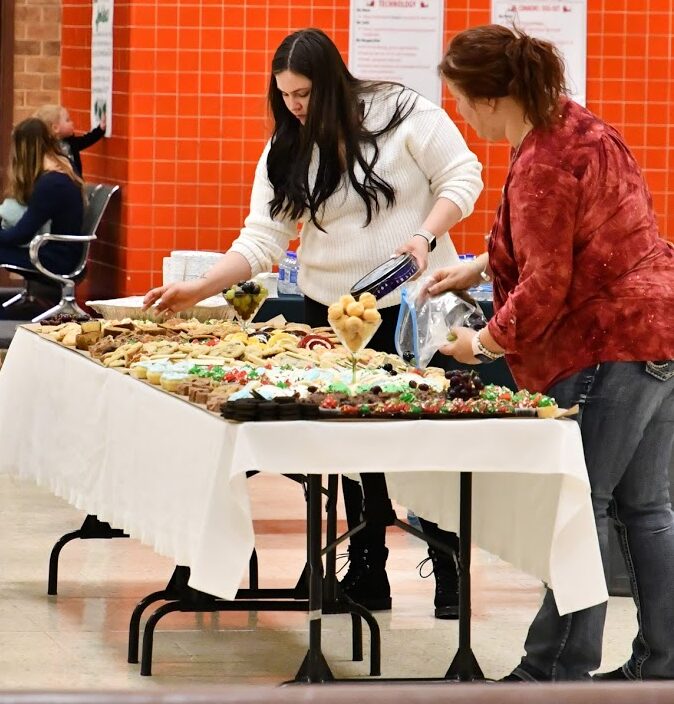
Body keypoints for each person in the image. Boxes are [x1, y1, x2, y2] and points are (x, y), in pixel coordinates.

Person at [143, 28, 483, 618]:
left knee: (422, 437)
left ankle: (449, 565)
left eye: (303, 94)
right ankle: (368, 563)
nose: (296, 107)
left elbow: (463, 176)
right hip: (335, 309)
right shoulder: (288, 147)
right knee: (350, 441)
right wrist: (199, 288)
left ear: (332, 82)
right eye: (286, 97)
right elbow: (262, 239)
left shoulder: (402, 112)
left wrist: (426, 235)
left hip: (414, 301)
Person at [430, 24, 674, 680]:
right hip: (658, 333)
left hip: (603, 347)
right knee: (647, 510)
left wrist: (478, 343)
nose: (458, 111)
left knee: (580, 504)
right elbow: (581, 236)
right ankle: (663, 664)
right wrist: (479, 267)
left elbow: (545, 285)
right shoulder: (578, 123)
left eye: (459, 99)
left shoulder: (539, 159)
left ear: (488, 98)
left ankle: (555, 667)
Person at [0, 117, 85, 275]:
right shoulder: (63, 167)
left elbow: (21, 235)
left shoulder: (51, 184)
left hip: (55, 258)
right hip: (60, 252)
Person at [35, 104, 106, 178]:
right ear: (55, 128)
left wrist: (100, 130)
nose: (72, 122)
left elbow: (85, 140)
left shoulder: (70, 142)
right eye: (67, 120)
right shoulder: (47, 148)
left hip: (74, 182)